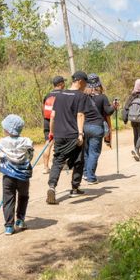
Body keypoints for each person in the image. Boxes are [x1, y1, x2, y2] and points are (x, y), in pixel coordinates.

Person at [46, 71, 88, 205]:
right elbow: (80, 115)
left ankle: (52, 186)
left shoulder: (60, 95)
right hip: (73, 135)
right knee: (79, 160)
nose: (85, 85)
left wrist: (52, 133)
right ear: (80, 81)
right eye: (85, 83)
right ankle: (75, 188)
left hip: (59, 134)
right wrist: (80, 133)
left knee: (57, 161)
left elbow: (52, 116)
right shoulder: (81, 96)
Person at [0, 114, 33, 235]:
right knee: (23, 196)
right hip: (23, 176)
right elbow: (30, 155)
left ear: (7, 129)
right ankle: (20, 220)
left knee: (8, 199)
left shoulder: (2, 142)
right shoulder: (26, 141)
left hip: (8, 176)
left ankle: (9, 226)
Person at [82, 73, 116, 184]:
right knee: (94, 152)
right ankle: (91, 177)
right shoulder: (102, 97)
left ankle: (86, 174)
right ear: (99, 84)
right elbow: (108, 112)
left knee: (86, 152)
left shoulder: (83, 97)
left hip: (84, 127)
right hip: (97, 127)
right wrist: (114, 106)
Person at [41, 76, 66, 173]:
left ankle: (45, 167)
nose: (64, 84)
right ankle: (63, 164)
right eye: (63, 82)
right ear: (60, 84)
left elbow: (44, 110)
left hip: (47, 121)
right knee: (63, 143)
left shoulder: (48, 95)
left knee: (48, 143)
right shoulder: (64, 94)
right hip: (59, 121)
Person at [122, 79, 140, 161]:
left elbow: (126, 108)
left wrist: (125, 119)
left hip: (133, 119)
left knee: (136, 135)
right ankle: (136, 149)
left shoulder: (131, 96)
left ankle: (137, 152)